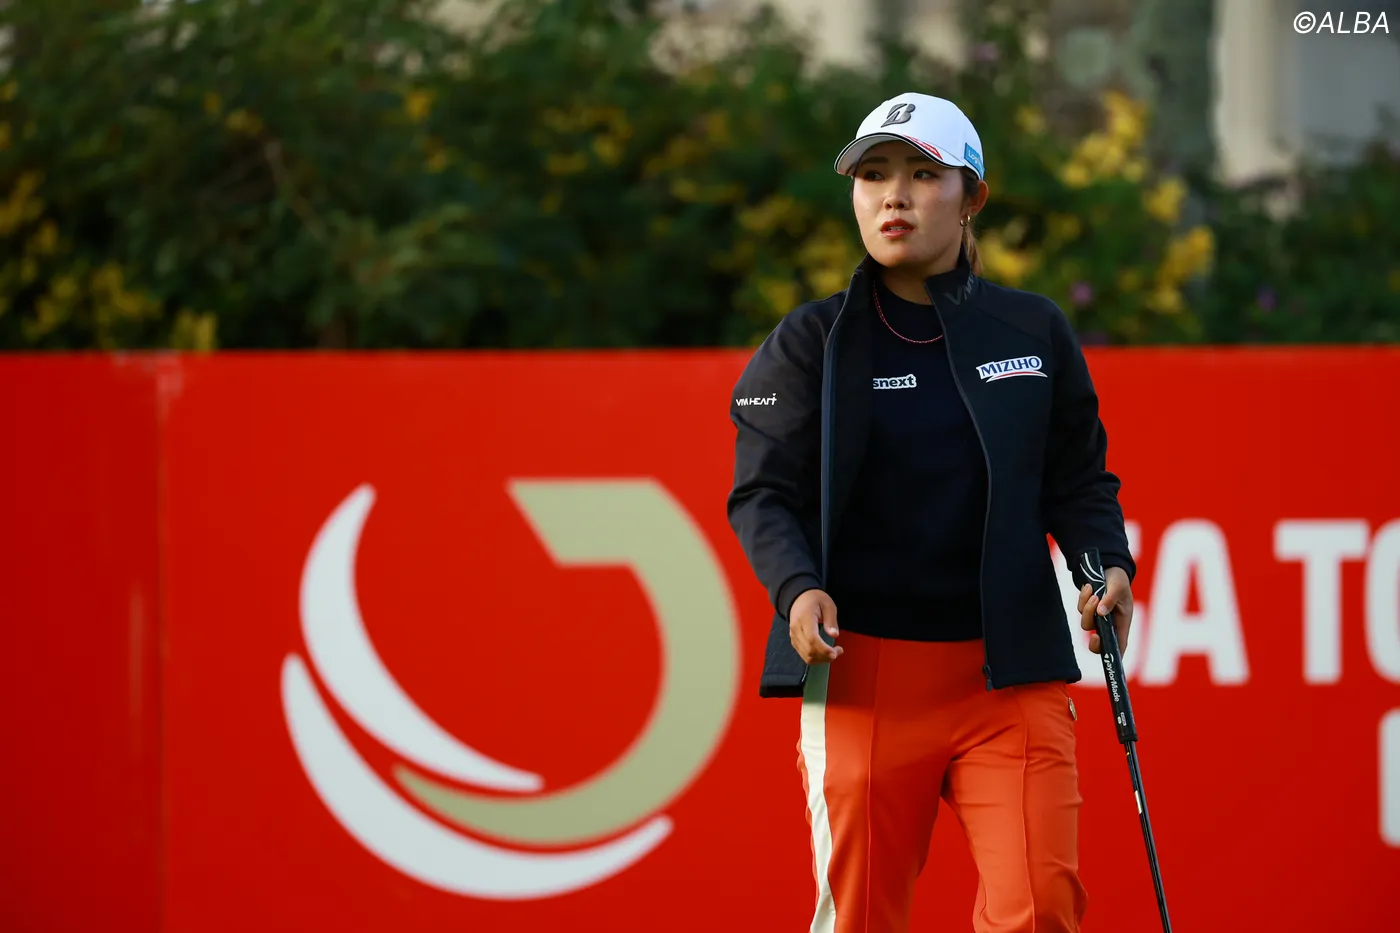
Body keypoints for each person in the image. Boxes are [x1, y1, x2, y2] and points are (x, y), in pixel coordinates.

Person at [725, 92, 1137, 933]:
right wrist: (797, 588)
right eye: (873, 175)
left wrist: (1107, 567)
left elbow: (1079, 483)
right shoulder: (809, 341)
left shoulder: (1033, 328)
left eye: (922, 174)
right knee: (863, 918)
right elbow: (763, 493)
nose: (894, 195)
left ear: (971, 195)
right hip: (863, 676)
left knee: (1041, 908)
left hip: (1010, 676)